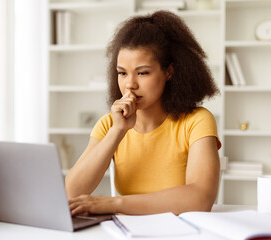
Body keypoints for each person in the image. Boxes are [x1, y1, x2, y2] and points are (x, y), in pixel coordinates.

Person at [65, 10, 221, 216]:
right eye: (122, 73)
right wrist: (118, 131)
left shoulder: (196, 121)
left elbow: (200, 199)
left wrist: (114, 204)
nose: (130, 84)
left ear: (169, 72)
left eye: (142, 72)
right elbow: (72, 192)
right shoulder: (109, 124)